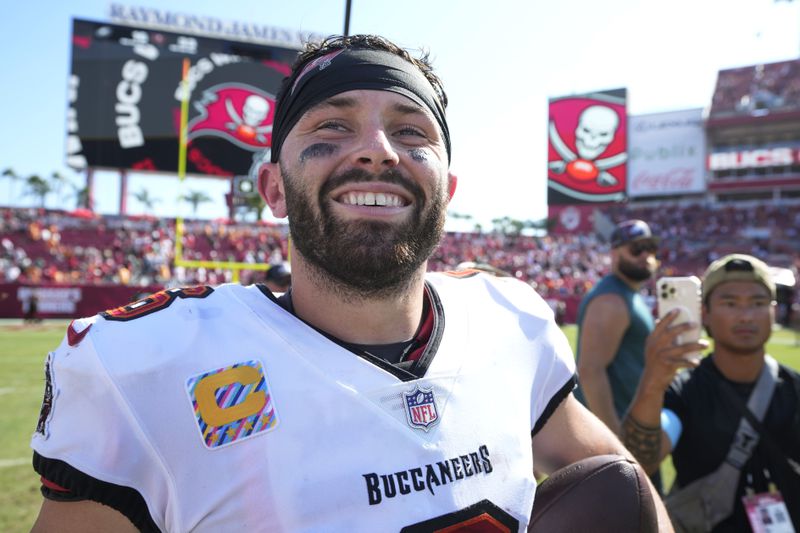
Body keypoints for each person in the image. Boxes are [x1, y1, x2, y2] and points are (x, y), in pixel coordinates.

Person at [29, 35, 671, 532]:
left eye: (412, 131)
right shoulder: (149, 369)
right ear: (274, 188)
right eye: (332, 126)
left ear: (446, 193)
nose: (378, 150)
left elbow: (624, 483)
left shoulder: (509, 321)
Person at [622, 253, 800, 531]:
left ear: (773, 311)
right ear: (704, 312)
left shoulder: (794, 388)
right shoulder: (684, 389)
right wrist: (653, 382)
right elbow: (639, 460)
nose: (745, 315)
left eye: (758, 303)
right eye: (730, 303)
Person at [575, 219, 659, 436]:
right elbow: (590, 371)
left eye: (649, 248)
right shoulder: (611, 299)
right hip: (614, 430)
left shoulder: (628, 294)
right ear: (614, 253)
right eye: (636, 249)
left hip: (630, 422)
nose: (645, 255)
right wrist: (616, 440)